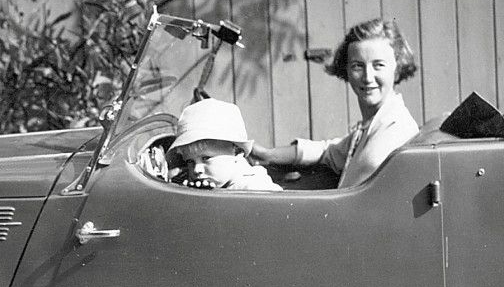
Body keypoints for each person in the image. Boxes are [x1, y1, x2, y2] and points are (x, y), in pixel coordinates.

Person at [251, 18, 419, 188]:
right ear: (346, 70)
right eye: (357, 66)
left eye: (378, 65)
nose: (368, 77)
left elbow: (350, 201)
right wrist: (267, 154)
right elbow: (328, 151)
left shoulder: (395, 127)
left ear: (396, 70)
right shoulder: (375, 123)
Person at [167, 98, 282, 191]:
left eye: (206, 158)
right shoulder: (219, 181)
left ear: (237, 151)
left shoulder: (254, 188)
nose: (197, 170)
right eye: (190, 161)